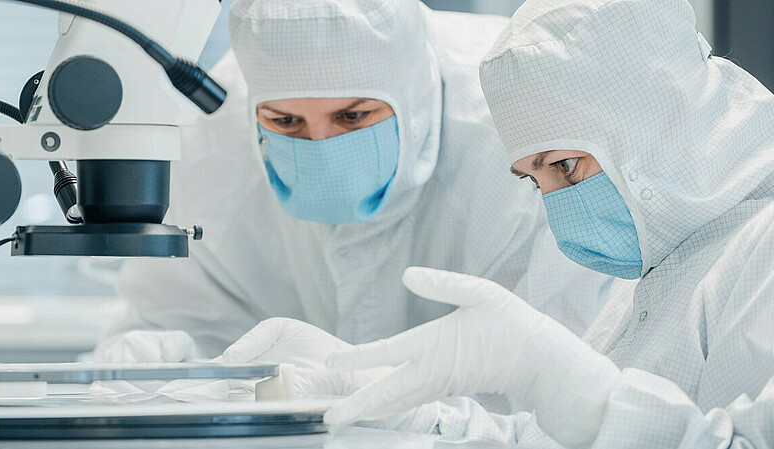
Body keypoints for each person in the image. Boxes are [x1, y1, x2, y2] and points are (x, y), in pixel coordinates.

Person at [319, 0, 774, 447]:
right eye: (535, 183)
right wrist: (389, 409)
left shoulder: (761, 249)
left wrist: (576, 391)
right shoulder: (669, 263)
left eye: (565, 166)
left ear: (658, 114)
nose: (560, 208)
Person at [94, 0, 610, 371]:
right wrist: (163, 362)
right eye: (286, 122)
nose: (321, 143)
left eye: (354, 115)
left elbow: (560, 365)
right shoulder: (217, 132)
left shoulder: (517, 126)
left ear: (409, 92)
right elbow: (175, 316)